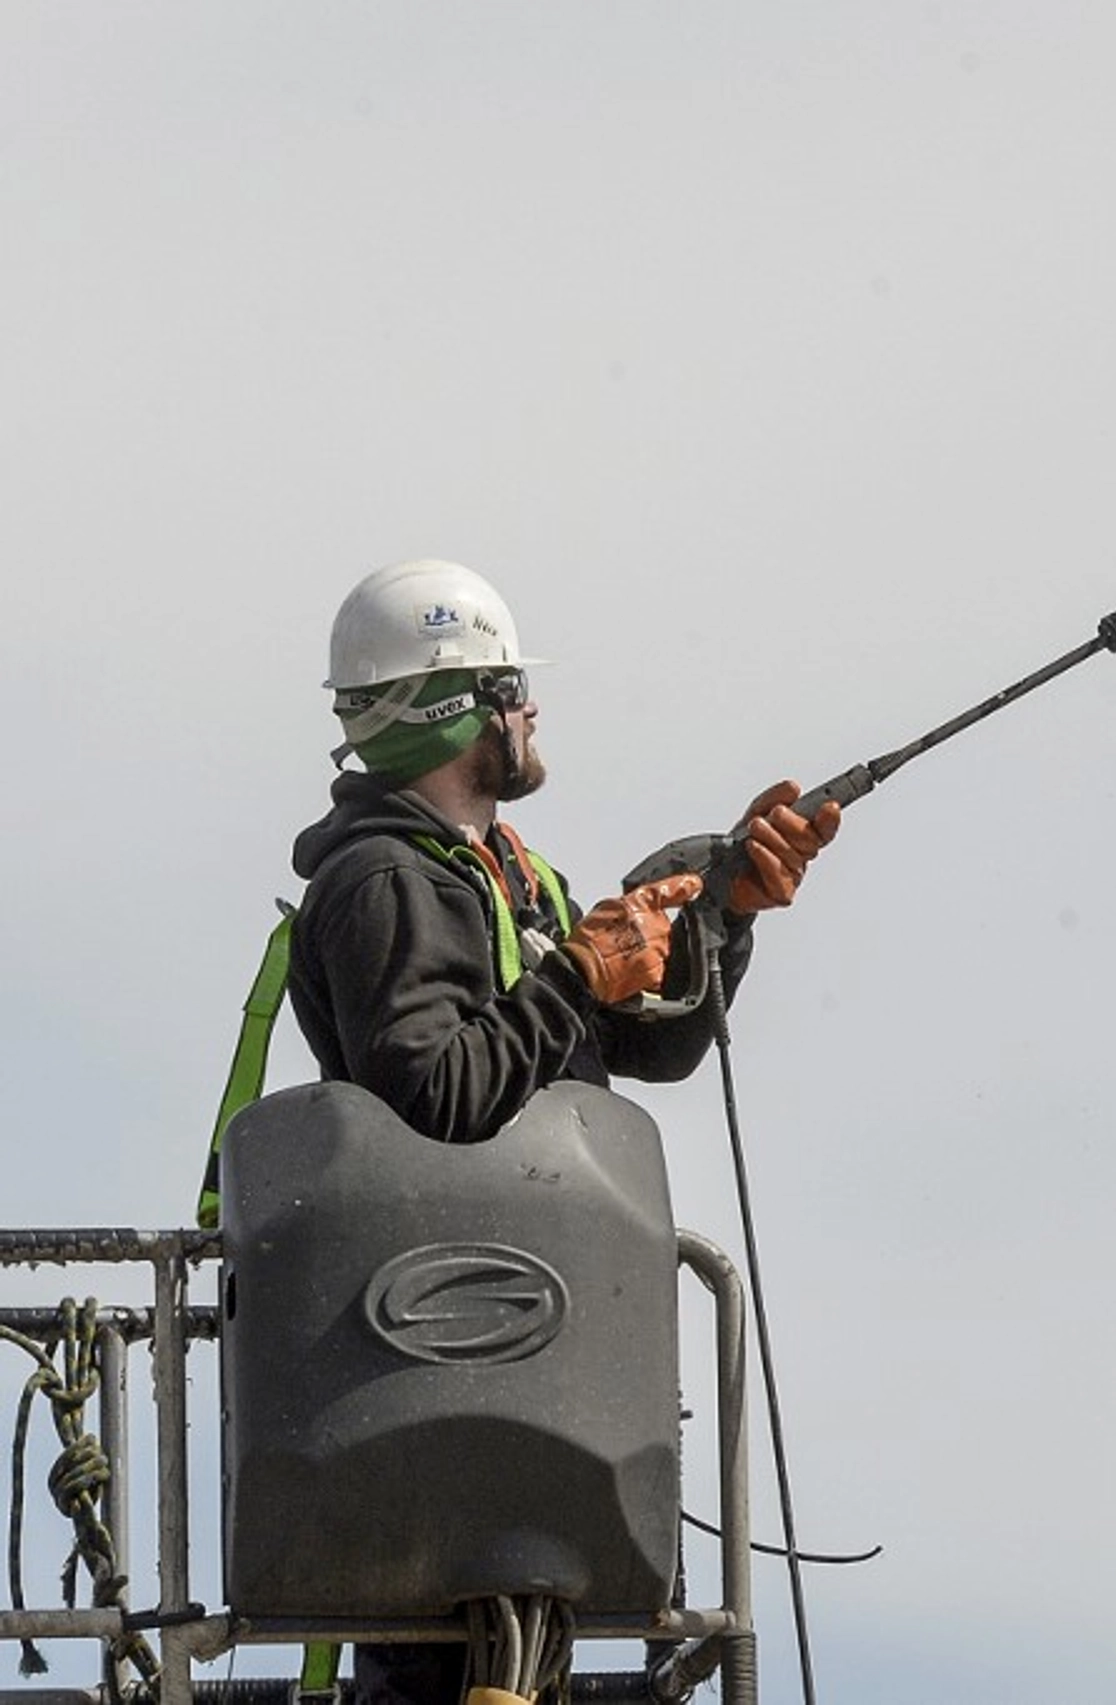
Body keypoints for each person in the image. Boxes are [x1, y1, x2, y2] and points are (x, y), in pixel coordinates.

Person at [251, 557, 840, 1705]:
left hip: (511, 1361)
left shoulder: (509, 880)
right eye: (509, 686)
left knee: (519, 1656)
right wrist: (580, 971)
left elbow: (655, 1043)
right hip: (435, 1348)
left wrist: (723, 916)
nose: (530, 709)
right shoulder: (382, 883)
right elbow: (438, 1090)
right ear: (450, 711)